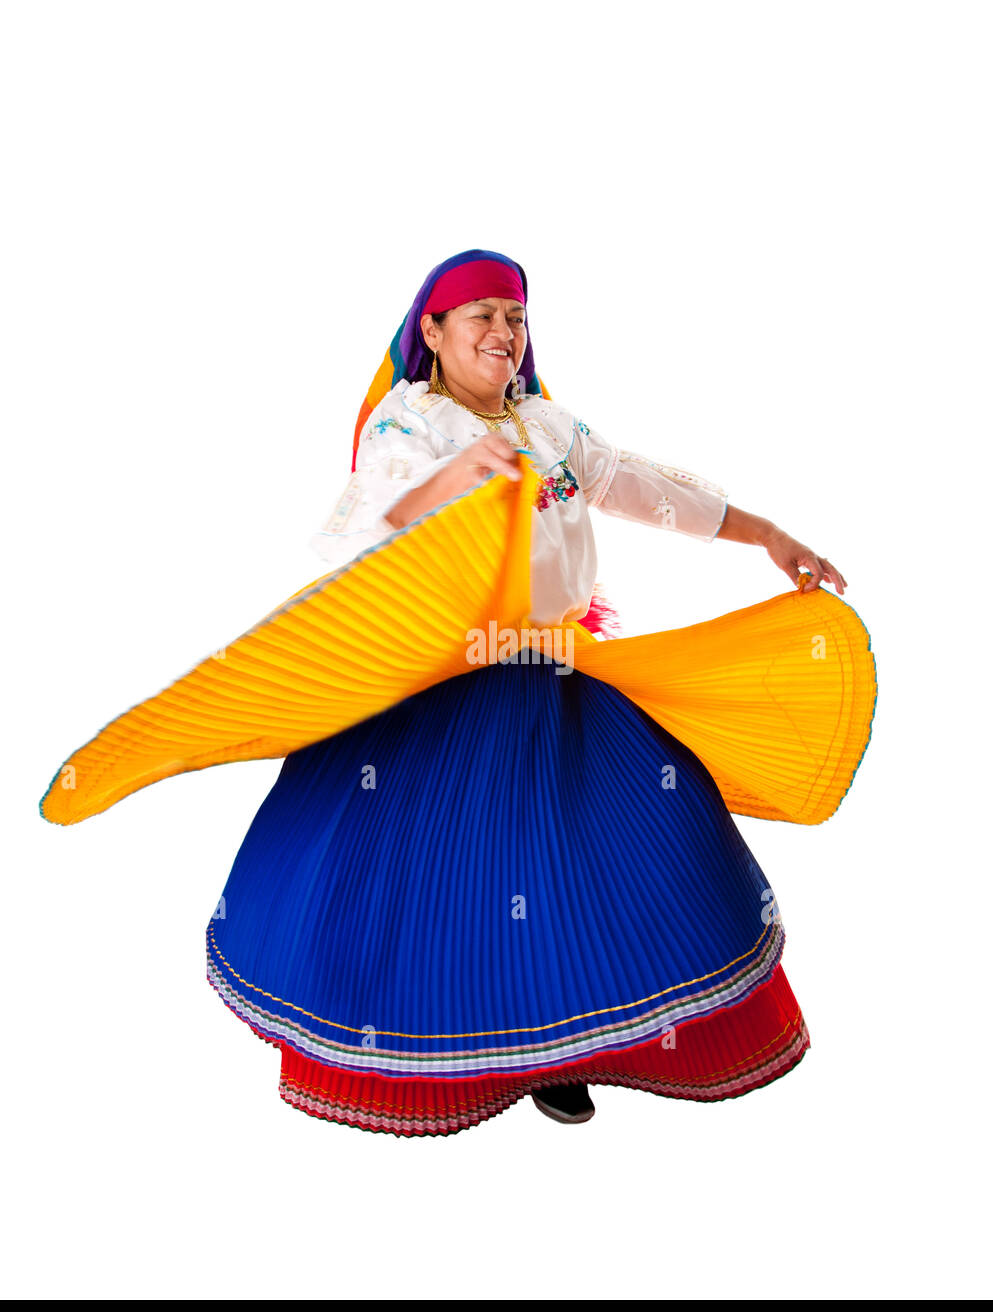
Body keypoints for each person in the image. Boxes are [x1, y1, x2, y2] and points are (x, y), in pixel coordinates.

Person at [39, 248, 875, 1139]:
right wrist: (459, 474)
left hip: (551, 677)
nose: (503, 335)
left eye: (514, 319)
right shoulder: (411, 424)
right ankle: (444, 1067)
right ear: (431, 332)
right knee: (444, 882)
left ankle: (566, 1049)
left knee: (616, 854)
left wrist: (767, 535)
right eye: (481, 316)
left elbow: (638, 481)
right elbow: (373, 517)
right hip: (440, 685)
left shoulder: (547, 427)